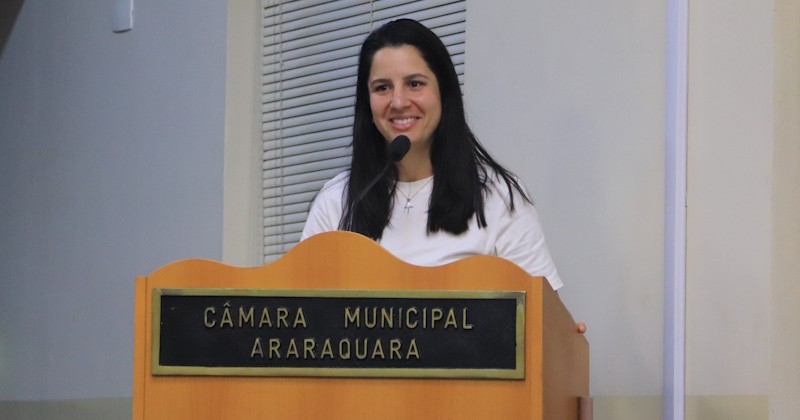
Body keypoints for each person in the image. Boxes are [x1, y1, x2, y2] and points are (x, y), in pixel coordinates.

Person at [301, 18, 564, 293]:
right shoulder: (336, 202)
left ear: (444, 92)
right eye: (382, 87)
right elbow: (295, 311)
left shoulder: (498, 198)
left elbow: (542, 314)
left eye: (415, 84)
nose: (398, 102)